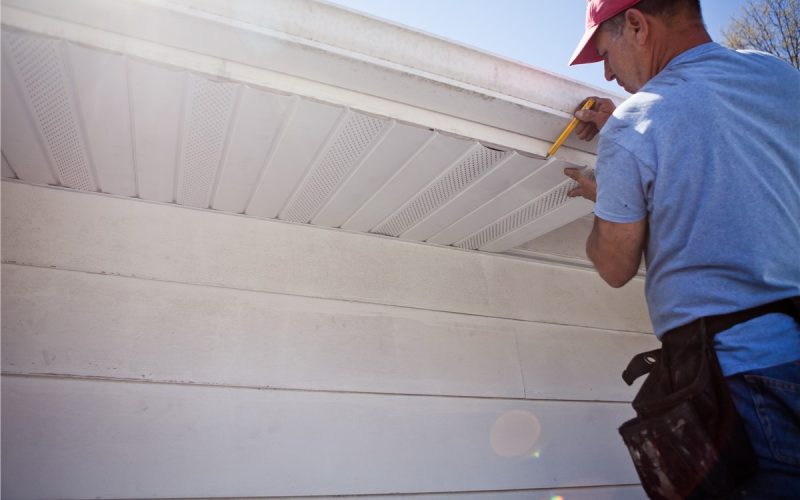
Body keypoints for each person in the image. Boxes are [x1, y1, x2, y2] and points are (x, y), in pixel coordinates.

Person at [563, 0, 800, 497]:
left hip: (741, 378)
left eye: (605, 53)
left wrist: (609, 190)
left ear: (635, 25)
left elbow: (614, 264)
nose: (607, 73)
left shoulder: (634, 127)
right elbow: (731, 162)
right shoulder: (779, 78)